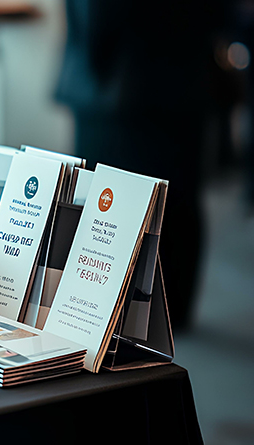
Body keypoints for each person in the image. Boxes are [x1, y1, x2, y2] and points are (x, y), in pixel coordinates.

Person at [55, 0, 225, 330]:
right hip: (183, 78)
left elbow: (97, 17)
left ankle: (118, 311)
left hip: (118, 85)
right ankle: (172, 312)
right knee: (178, 196)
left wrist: (95, 63)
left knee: (113, 207)